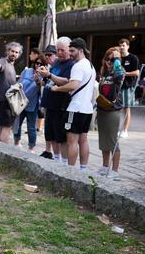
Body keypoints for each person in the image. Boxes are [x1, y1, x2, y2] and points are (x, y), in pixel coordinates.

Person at [38, 38, 96, 171]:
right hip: (86, 109)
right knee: (83, 140)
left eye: (72, 50)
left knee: (71, 141)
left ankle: (70, 170)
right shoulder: (90, 65)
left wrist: (56, 88)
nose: (70, 53)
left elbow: (73, 84)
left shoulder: (77, 65)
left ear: (80, 50)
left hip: (75, 108)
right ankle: (83, 169)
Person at [40, 37, 74, 163]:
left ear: (69, 49)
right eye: (57, 50)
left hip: (61, 105)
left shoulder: (72, 64)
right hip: (50, 104)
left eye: (62, 50)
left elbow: (67, 81)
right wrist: (42, 77)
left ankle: (64, 162)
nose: (59, 53)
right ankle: (56, 158)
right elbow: (50, 80)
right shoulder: (56, 63)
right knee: (51, 135)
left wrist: (49, 75)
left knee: (61, 137)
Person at [96, 47, 125, 178]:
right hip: (102, 108)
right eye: (108, 58)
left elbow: (119, 76)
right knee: (103, 139)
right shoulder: (104, 73)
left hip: (113, 109)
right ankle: (104, 166)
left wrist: (117, 62)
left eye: (113, 59)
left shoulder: (119, 72)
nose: (110, 61)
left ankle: (115, 171)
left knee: (112, 140)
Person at [0, 42, 22, 144]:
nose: (14, 54)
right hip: (3, 100)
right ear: (8, 51)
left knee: (1, 125)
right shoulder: (4, 61)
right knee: (7, 126)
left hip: (5, 100)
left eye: (16, 52)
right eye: (12, 51)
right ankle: (4, 151)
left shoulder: (11, 65)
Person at [13, 57, 45, 152]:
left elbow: (41, 92)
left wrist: (38, 81)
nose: (38, 65)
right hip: (21, 101)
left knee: (31, 127)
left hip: (33, 104)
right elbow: (19, 82)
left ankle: (31, 148)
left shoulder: (44, 75)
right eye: (37, 63)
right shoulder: (27, 71)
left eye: (40, 63)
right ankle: (16, 143)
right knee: (17, 124)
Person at [117, 38, 140, 138]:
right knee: (116, 109)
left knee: (126, 108)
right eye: (120, 45)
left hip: (127, 87)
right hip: (116, 86)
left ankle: (125, 130)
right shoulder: (117, 58)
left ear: (128, 46)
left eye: (124, 45)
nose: (122, 47)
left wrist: (125, 73)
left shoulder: (133, 58)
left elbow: (137, 72)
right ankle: (117, 129)